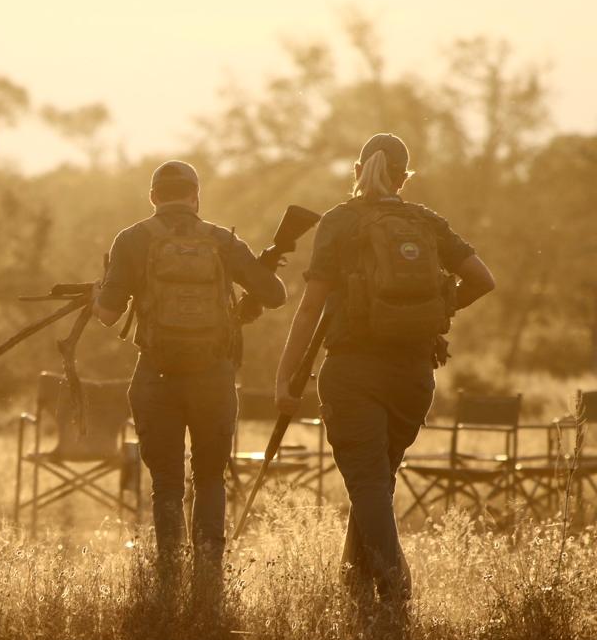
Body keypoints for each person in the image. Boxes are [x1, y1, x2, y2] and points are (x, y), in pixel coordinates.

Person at [273, 133, 495, 612]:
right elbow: (483, 278)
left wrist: (285, 376)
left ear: (358, 170)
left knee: (369, 484)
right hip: (414, 375)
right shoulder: (426, 222)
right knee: (375, 482)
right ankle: (355, 595)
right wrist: (440, 307)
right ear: (403, 176)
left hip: (353, 372)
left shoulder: (340, 222)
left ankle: (397, 598)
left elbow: (311, 306)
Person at [94, 160, 286, 611]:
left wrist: (99, 291)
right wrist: (254, 275)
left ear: (154, 197)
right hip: (214, 378)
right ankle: (208, 584)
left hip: (155, 375)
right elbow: (276, 295)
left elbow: (106, 314)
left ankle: (168, 580)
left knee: (166, 482)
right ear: (196, 197)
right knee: (210, 477)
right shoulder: (220, 240)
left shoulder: (133, 239)